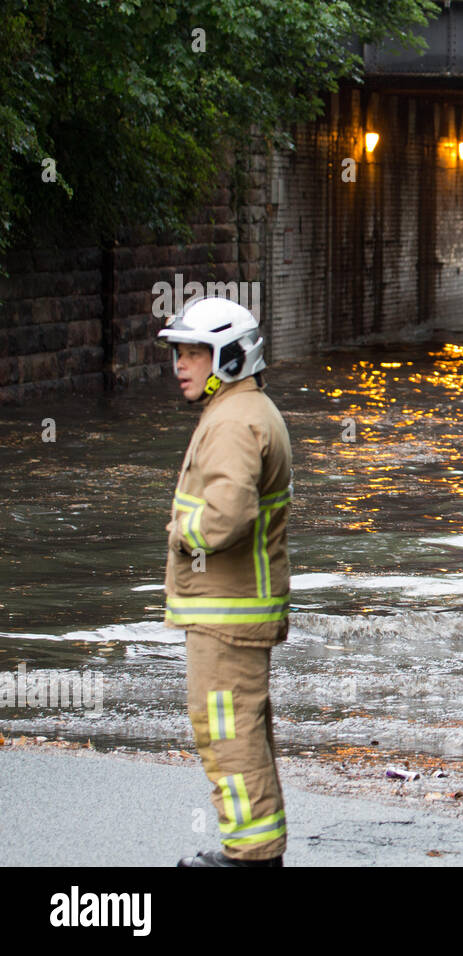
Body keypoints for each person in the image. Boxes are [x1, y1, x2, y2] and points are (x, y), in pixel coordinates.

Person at [157, 296, 293, 868]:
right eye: (179, 353)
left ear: (233, 357)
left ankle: (251, 859)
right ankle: (259, 851)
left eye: (195, 353)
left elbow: (228, 515)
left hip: (226, 612)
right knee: (241, 730)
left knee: (226, 731)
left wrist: (181, 531)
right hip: (231, 609)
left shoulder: (236, 421)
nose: (181, 365)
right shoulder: (243, 411)